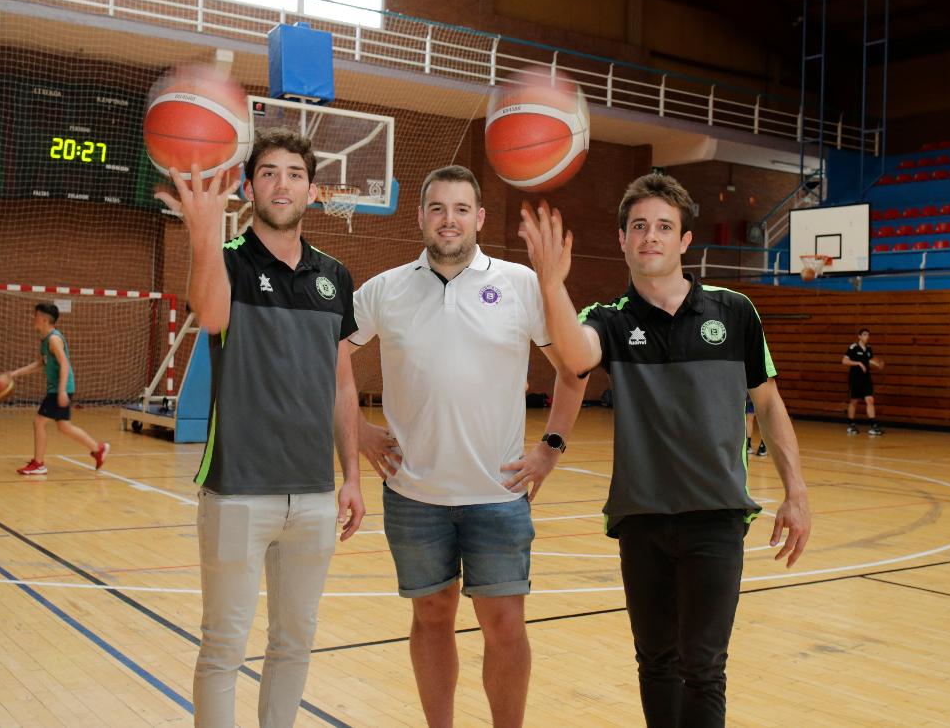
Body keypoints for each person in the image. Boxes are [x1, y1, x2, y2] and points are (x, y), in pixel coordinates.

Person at [518, 173, 810, 728]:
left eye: (663, 227)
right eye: (638, 226)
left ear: (684, 240)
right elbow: (575, 359)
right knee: (655, 662)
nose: (650, 236)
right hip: (642, 516)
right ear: (623, 239)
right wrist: (552, 285)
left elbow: (769, 404)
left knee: (704, 666)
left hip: (716, 515)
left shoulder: (734, 311)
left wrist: (796, 492)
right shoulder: (609, 318)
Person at [348, 165, 586, 728]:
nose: (448, 220)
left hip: (498, 495)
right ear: (421, 217)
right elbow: (323, 357)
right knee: (432, 617)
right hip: (413, 495)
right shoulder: (385, 289)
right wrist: (358, 431)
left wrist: (550, 446)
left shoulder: (520, 284)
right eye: (437, 208)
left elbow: (574, 369)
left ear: (478, 217)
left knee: (504, 624)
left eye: (460, 209)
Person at [155, 127, 365, 728]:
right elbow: (210, 313)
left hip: (315, 495)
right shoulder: (228, 260)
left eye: (295, 174)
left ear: (313, 191)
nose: (282, 184)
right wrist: (202, 231)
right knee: (224, 647)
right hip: (237, 492)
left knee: (295, 642)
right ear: (249, 188)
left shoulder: (334, 276)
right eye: (269, 172)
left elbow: (342, 385)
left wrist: (352, 476)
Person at [2, 302, 109, 476]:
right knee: (64, 426)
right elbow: (40, 364)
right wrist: (14, 374)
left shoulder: (54, 339)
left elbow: (65, 364)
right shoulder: (45, 340)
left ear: (44, 320)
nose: (33, 318)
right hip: (59, 387)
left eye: (36, 315)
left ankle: (39, 464)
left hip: (60, 388)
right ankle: (98, 449)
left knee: (39, 422)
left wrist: (62, 390)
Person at [843, 328, 883, 435]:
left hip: (866, 378)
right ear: (859, 336)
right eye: (865, 334)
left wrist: (877, 364)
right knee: (854, 401)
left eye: (868, 335)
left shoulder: (869, 349)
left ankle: (873, 425)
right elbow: (844, 361)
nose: (867, 337)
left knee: (870, 400)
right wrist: (858, 363)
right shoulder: (853, 347)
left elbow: (870, 362)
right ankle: (851, 424)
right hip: (855, 378)